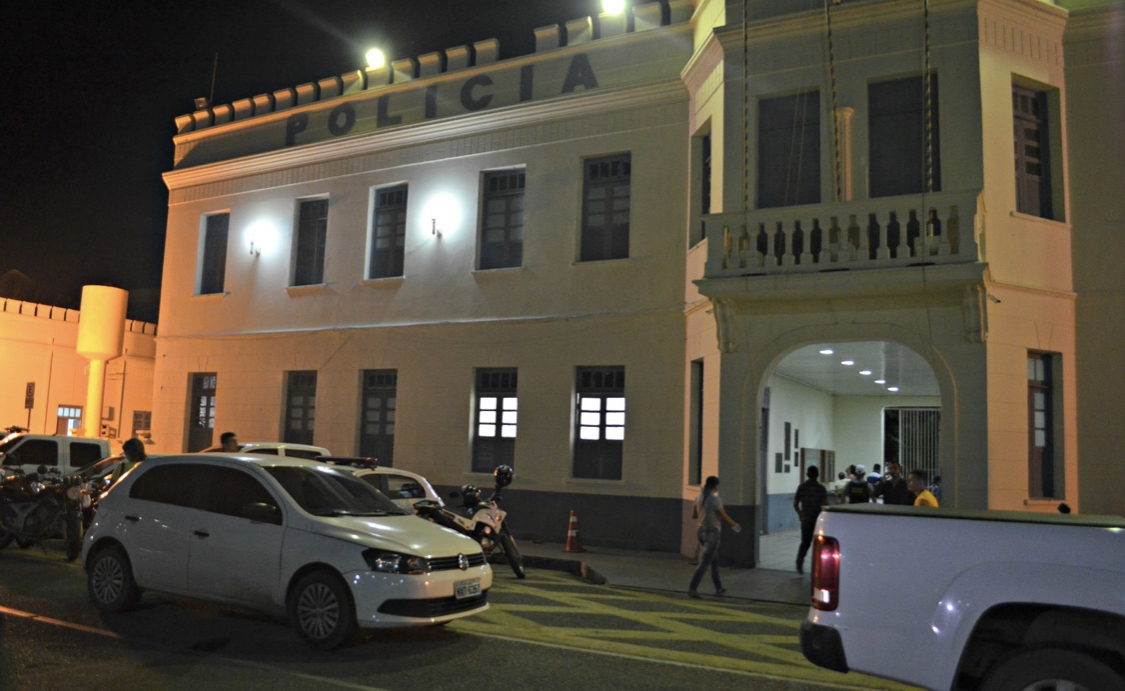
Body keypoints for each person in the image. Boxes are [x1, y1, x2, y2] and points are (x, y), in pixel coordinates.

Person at [688, 476, 740, 598]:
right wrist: (735, 524)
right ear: (716, 486)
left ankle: (719, 587)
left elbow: (694, 516)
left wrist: (704, 513)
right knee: (705, 561)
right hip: (712, 533)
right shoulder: (715, 500)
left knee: (714, 560)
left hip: (701, 532)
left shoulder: (698, 498)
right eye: (718, 485)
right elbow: (724, 516)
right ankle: (692, 588)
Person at [793, 466, 828, 574]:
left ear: (807, 474)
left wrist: (800, 514)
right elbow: (826, 504)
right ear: (817, 475)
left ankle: (800, 560)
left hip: (806, 519)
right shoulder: (821, 488)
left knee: (805, 542)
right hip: (818, 520)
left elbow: (795, 503)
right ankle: (818, 566)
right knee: (819, 543)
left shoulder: (802, 487)